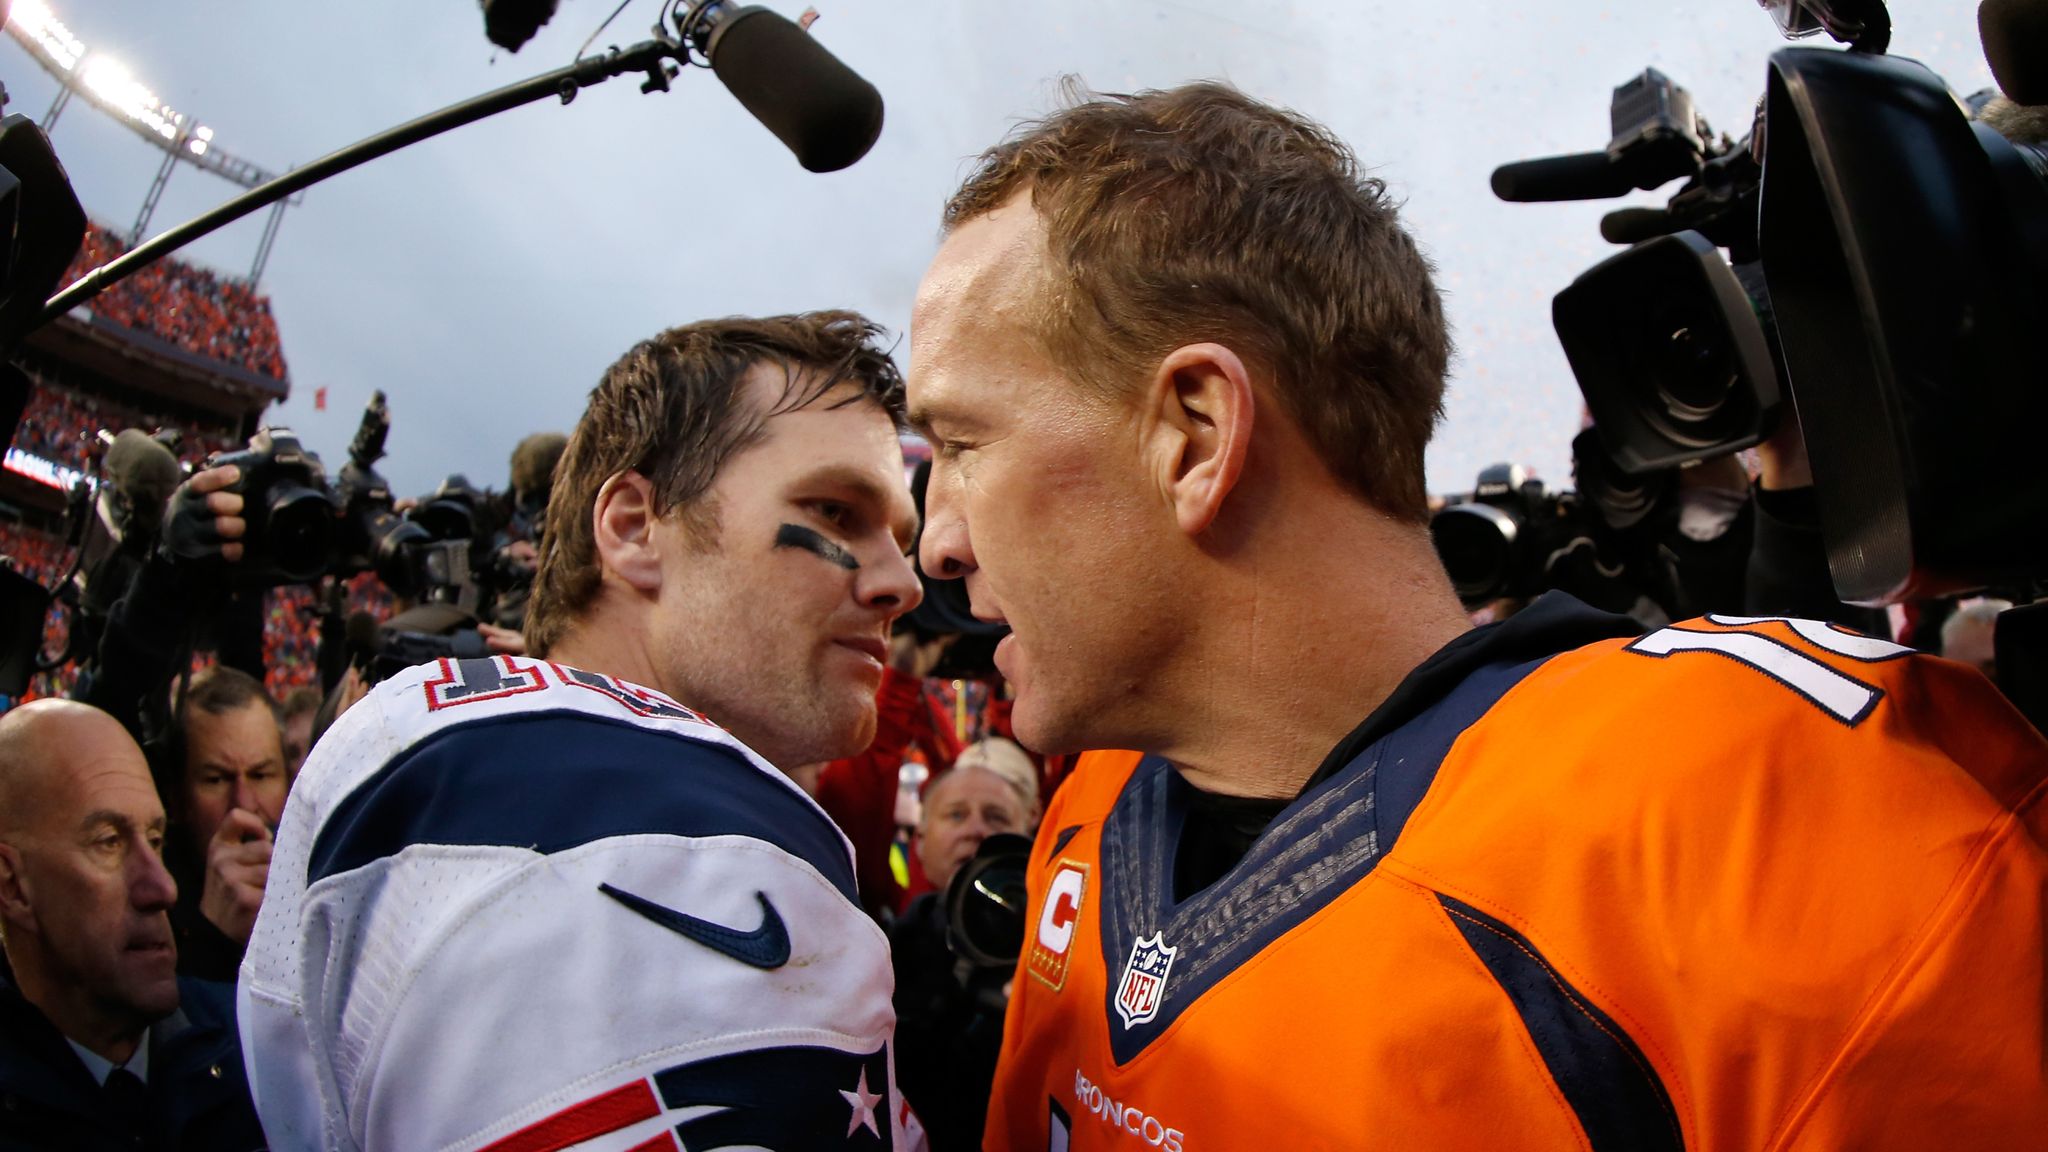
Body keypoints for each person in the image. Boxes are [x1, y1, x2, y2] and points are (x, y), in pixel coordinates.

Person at [907, 82, 2048, 1150]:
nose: (934, 544)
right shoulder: (1097, 804)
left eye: (960, 445)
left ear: (1194, 436)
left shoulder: (1754, 828)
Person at [242, 312, 929, 1151]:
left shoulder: (435, 751)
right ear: (636, 527)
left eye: (901, 539)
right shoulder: (630, 811)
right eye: (837, 511)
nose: (903, 582)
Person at [0, 699, 264, 1150]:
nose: (163, 888)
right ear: (13, 887)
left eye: (156, 840)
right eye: (109, 843)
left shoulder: (264, 1052)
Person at [891, 760, 1032, 1152]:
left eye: (997, 817)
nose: (976, 831)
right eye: (956, 815)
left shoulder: (1066, 958)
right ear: (920, 839)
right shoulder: (882, 958)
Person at [164, 665, 286, 982]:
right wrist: (212, 940)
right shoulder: (151, 911)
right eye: (216, 779)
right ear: (176, 800)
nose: (243, 803)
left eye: (261, 775)